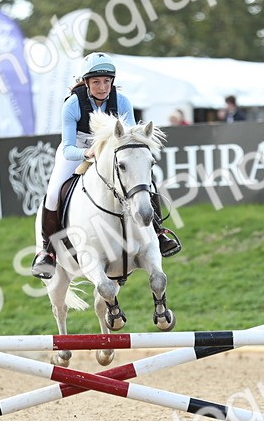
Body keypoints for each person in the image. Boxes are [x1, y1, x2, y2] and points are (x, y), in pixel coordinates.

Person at [30, 53, 182, 278]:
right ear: (86, 83)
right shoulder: (72, 104)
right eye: (96, 82)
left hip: (111, 148)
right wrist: (87, 152)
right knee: (52, 194)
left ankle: (158, 233)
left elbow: (130, 137)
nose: (102, 87)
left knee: (146, 183)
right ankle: (48, 252)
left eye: (106, 81)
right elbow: (68, 148)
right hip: (79, 147)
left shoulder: (122, 101)